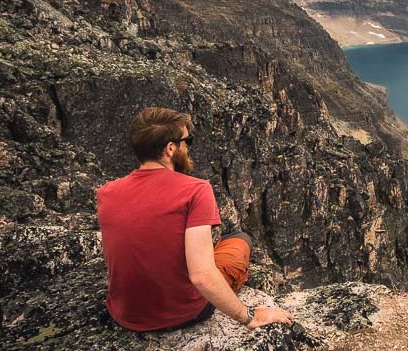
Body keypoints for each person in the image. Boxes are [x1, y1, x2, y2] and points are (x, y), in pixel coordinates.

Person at [96, 106, 294, 332]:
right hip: (183, 313)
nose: (188, 148)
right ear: (170, 149)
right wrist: (249, 317)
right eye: (186, 141)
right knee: (239, 240)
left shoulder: (106, 193)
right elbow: (201, 276)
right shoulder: (195, 190)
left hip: (125, 315)